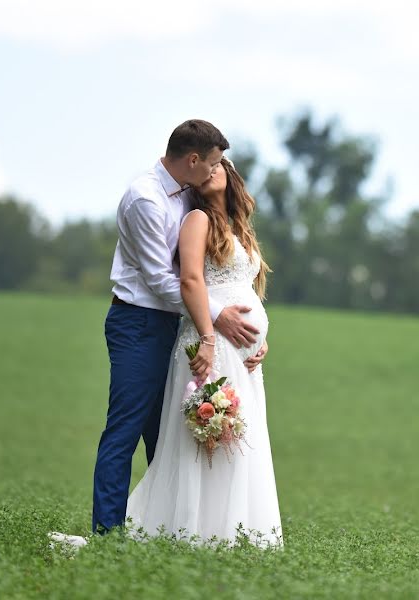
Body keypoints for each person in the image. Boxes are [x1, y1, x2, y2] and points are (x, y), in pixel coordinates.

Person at [91, 120, 265, 535]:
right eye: (213, 164)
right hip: (141, 322)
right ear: (193, 161)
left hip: (182, 323)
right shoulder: (146, 200)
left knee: (168, 433)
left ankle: (169, 527)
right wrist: (216, 318)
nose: (216, 171)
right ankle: (108, 534)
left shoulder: (188, 193)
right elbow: (162, 280)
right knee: (127, 427)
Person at [125, 156, 282, 546]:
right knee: (210, 436)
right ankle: (195, 530)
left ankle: (232, 532)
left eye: (220, 164)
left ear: (231, 175)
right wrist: (209, 338)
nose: (213, 169)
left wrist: (262, 339)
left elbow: (247, 291)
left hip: (244, 356)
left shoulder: (240, 228)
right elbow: (191, 280)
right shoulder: (197, 220)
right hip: (210, 344)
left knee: (240, 439)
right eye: (208, 166)